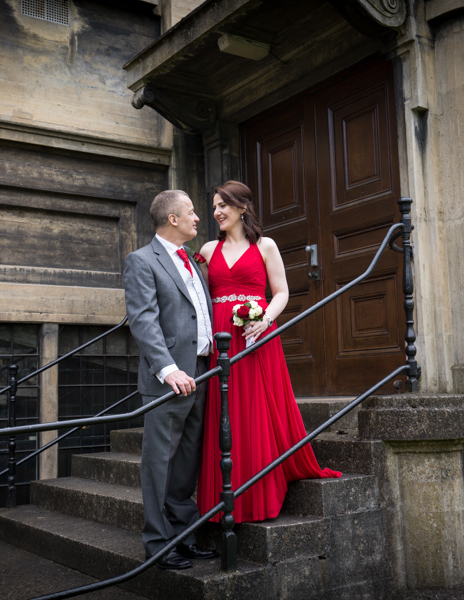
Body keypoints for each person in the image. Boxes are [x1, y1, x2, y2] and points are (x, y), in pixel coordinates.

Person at [196, 180, 341, 523]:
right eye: (214, 207)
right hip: (221, 336)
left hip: (255, 335)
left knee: (256, 408)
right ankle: (223, 498)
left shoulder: (265, 246)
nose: (216, 212)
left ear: (241, 207)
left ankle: (258, 495)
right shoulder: (207, 251)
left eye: (222, 205)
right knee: (224, 410)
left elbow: (281, 293)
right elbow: (199, 299)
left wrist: (264, 320)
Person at [123, 190, 219, 569]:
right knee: (159, 464)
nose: (198, 218)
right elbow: (143, 319)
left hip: (203, 371)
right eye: (191, 212)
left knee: (186, 464)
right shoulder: (142, 260)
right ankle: (158, 545)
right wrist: (167, 368)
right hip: (169, 379)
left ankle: (184, 537)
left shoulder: (191, 260)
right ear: (173, 219)